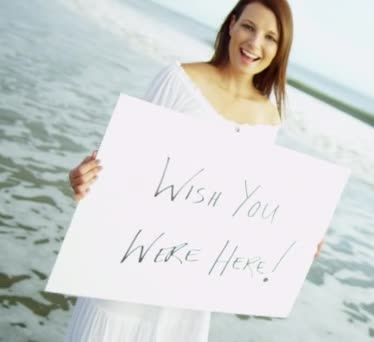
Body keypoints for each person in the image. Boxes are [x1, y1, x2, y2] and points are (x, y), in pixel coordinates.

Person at [64, 1, 320, 341]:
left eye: (270, 37)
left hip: (189, 292)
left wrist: (295, 239)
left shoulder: (268, 118)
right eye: (248, 27)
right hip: (129, 268)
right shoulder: (180, 80)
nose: (255, 43)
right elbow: (125, 167)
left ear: (280, 48)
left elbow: (247, 208)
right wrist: (85, 181)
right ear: (231, 25)